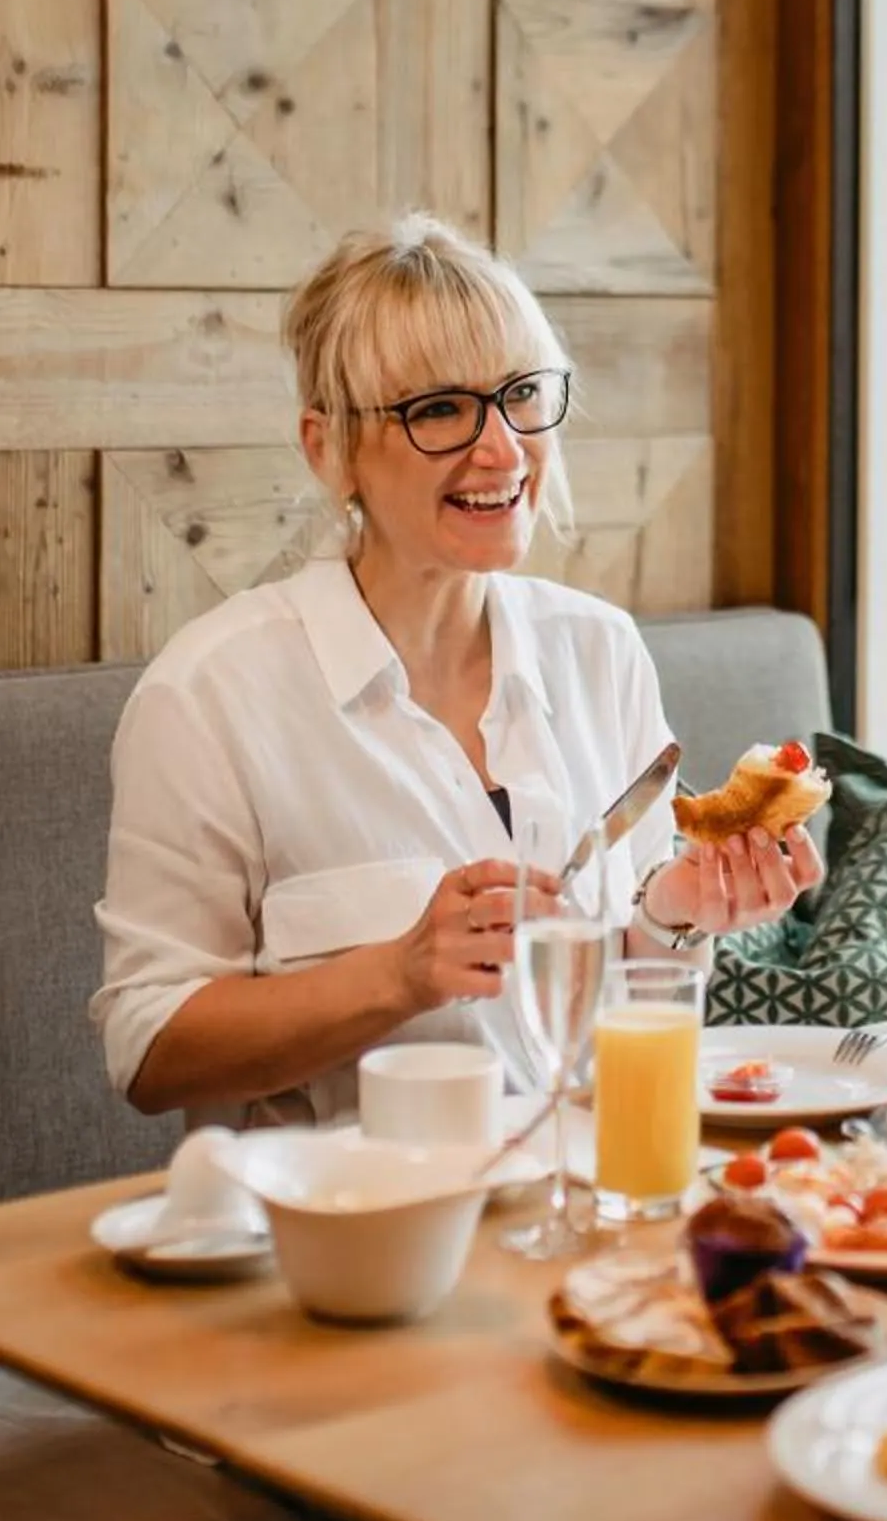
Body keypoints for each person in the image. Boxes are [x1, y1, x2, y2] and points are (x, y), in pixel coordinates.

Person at [94, 217, 822, 1125]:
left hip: (584, 1202)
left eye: (521, 393)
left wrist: (674, 915)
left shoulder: (601, 653)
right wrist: (397, 975)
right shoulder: (207, 697)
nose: (503, 449)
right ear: (329, 450)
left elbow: (606, 1022)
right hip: (347, 1238)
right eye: (439, 408)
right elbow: (150, 1049)